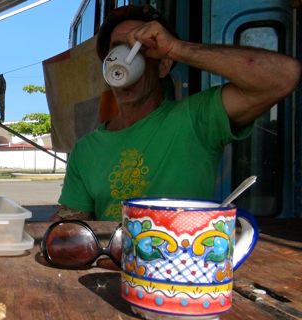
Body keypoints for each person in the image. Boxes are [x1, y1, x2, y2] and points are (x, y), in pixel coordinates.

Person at [55, 5, 301, 222]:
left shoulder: (196, 118)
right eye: (116, 51)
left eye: (139, 50)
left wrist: (176, 48)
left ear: (163, 65)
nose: (124, 63)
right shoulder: (86, 150)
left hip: (180, 265)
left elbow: (284, 75)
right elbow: (70, 223)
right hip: (112, 269)